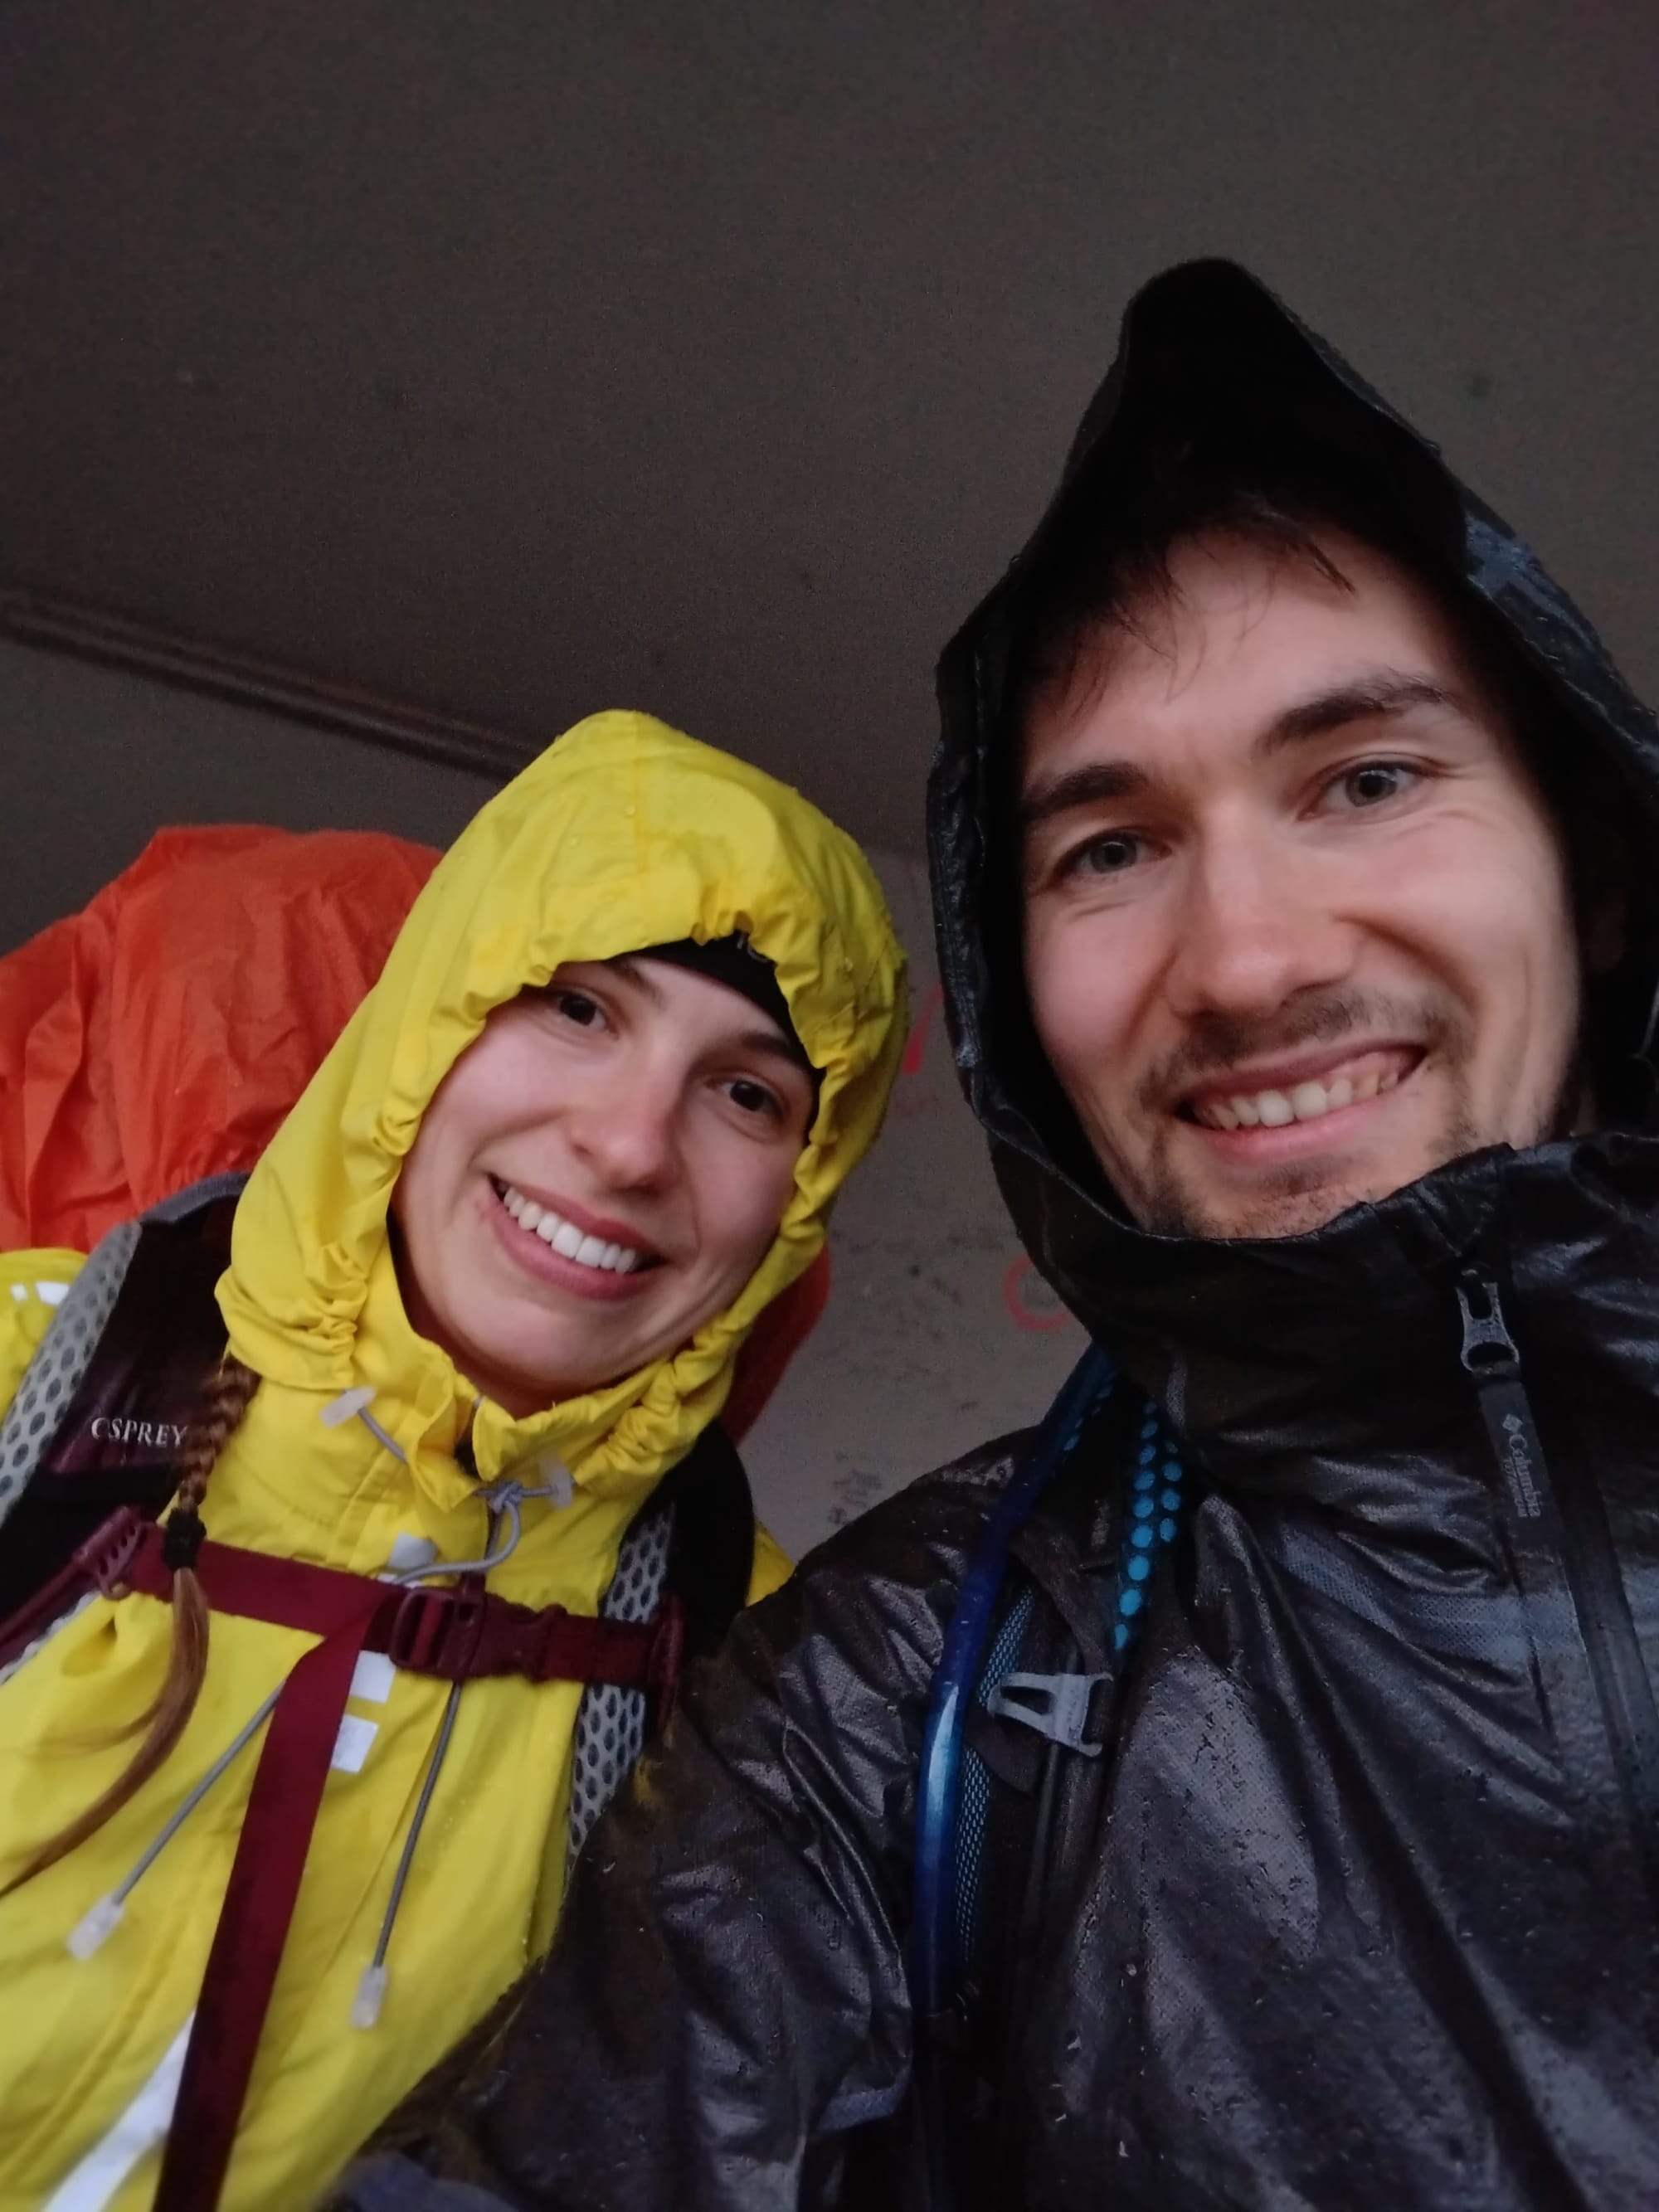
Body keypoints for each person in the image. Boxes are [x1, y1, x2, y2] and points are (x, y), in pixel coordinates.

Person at [327, 260, 1659, 2212]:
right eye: (1110, 846)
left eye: (1363, 780)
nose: (1251, 957)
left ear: (1597, 877)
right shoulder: (896, 1680)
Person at [0, 709, 906, 2211]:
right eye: (578, 1010)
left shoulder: (758, 1675)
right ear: (428, 1026)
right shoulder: (34, 1375)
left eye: (748, 1092)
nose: (627, 1145)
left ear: (794, 1201)